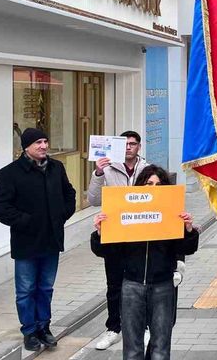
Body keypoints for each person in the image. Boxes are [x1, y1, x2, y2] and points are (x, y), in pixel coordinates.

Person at [91, 165, 199, 360]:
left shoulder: (171, 213)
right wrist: (100, 232)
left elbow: (186, 249)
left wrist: (189, 230)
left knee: (160, 346)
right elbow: (107, 251)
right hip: (132, 284)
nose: (154, 188)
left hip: (162, 285)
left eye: (159, 184)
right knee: (132, 348)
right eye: (149, 183)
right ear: (140, 185)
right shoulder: (126, 212)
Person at [0, 128, 76, 352]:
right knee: (26, 289)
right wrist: (24, 221)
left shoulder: (56, 168)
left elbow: (70, 193)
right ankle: (29, 331)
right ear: (26, 146)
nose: (43, 146)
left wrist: (61, 215)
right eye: (38, 142)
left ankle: (43, 327)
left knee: (46, 287)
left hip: (51, 240)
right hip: (26, 242)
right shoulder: (10, 173)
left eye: (46, 141)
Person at [87, 130, 150, 350]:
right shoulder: (107, 169)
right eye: (124, 144)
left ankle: (143, 328)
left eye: (132, 144)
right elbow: (94, 200)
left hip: (141, 237)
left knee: (141, 284)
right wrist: (97, 173)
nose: (128, 148)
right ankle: (114, 328)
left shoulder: (148, 170)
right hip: (115, 236)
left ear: (139, 147)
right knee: (114, 285)